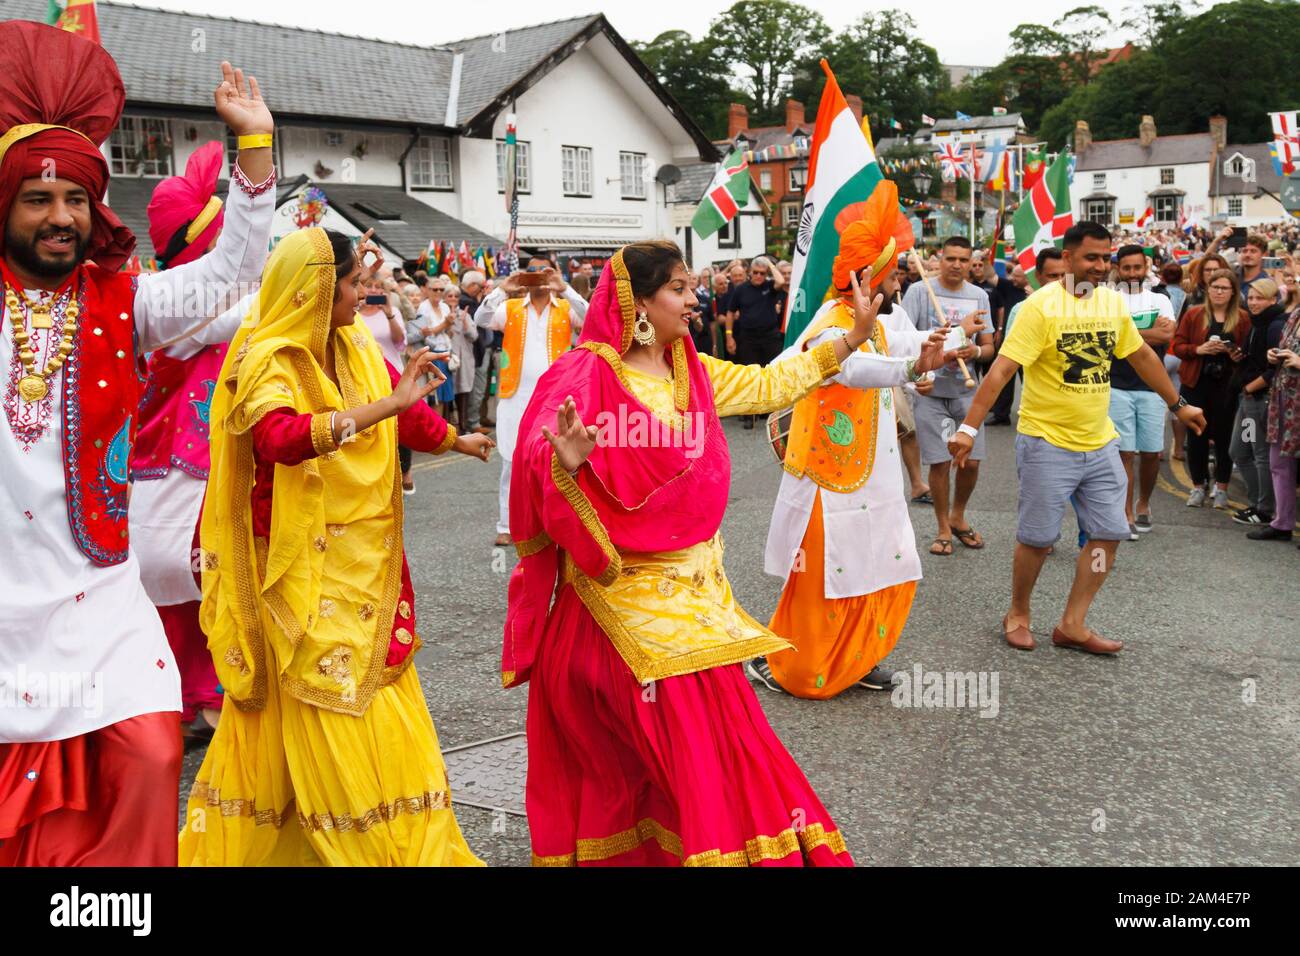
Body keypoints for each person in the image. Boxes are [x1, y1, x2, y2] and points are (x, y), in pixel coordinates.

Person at [0, 23, 276, 866]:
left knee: (152, 754)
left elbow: (229, 275)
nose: (60, 217)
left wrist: (254, 150)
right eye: (38, 199)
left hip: (101, 594)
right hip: (5, 600)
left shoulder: (127, 303)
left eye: (76, 199)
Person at [503, 239, 872, 866]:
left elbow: (768, 382)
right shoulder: (586, 372)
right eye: (679, 287)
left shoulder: (689, 369)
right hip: (617, 598)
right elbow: (535, 452)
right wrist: (563, 462)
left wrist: (851, 338)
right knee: (667, 748)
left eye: (693, 286)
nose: (694, 298)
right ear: (637, 302)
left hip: (698, 593)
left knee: (712, 742)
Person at [179, 229, 494, 866]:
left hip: (360, 564)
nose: (365, 293)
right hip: (295, 570)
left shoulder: (349, 343)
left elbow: (401, 406)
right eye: (354, 283)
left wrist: (453, 440)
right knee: (324, 701)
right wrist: (385, 407)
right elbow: (279, 438)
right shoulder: (267, 357)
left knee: (373, 695)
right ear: (317, 289)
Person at [949, 221, 1206, 656]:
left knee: (1108, 534)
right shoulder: (1039, 308)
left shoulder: (1110, 304)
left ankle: (1073, 621)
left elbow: (1142, 355)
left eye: (1106, 258)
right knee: (1038, 538)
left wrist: (1178, 405)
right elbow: (1001, 371)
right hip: (1046, 442)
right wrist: (968, 429)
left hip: (1100, 442)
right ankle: (1018, 612)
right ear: (1067, 259)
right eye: (1092, 258)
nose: (1102, 267)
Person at [756, 182, 967, 699]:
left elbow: (903, 341)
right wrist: (912, 365)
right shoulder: (833, 326)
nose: (898, 280)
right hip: (830, 477)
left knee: (878, 565)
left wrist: (954, 339)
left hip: (870, 474)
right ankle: (783, 663)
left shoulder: (868, 320)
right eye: (892, 272)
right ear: (865, 276)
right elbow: (854, 368)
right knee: (825, 576)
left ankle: (858, 659)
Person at [129, 141, 255, 749]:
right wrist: (308, 275)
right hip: (167, 469)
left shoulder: (197, 302)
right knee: (177, 579)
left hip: (209, 460)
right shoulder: (170, 307)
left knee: (207, 579)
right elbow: (246, 316)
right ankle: (184, 694)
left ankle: (202, 693)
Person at [476, 254, 588, 548]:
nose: (539, 276)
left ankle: (553, 523)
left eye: (544, 271)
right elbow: (481, 319)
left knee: (556, 460)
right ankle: (506, 524)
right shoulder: (510, 307)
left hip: (556, 397)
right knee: (511, 461)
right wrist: (504, 287)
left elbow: (591, 319)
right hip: (515, 396)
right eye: (533, 272)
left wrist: (564, 288)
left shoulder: (565, 307)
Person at [900, 236, 993, 556]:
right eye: (950, 259)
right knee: (940, 462)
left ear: (971, 263)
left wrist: (976, 349)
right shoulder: (919, 291)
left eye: (963, 260)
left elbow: (990, 346)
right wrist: (917, 377)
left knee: (971, 461)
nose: (956, 265)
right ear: (939, 259)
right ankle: (942, 526)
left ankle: (958, 515)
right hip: (931, 392)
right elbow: (904, 339)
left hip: (966, 393)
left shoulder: (979, 295)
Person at [1110, 244, 1177, 537]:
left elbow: (1167, 335)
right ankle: (1125, 513)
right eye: (1127, 268)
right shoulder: (1109, 301)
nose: (1133, 273)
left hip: (1152, 386)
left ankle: (1144, 503)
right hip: (1116, 385)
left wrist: (1127, 333)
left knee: (1151, 452)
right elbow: (1109, 339)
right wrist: (1147, 334)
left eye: (1138, 267)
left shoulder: (1160, 299)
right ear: (1119, 269)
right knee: (1124, 453)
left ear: (1146, 267)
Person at [1171, 269, 1248, 509]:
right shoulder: (1195, 314)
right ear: (1208, 289)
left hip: (1227, 384)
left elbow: (1249, 354)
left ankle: (1222, 487)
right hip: (1196, 382)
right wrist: (1199, 349)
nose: (1219, 292)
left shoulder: (1243, 318)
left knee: (1225, 438)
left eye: (1224, 288)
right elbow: (1178, 346)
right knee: (1197, 436)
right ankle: (1198, 486)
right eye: (1215, 287)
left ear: (1233, 292)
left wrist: (1235, 354)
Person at [1230, 278, 1287, 526]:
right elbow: (1255, 360)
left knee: (1257, 453)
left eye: (1259, 298)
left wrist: (1252, 387)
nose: (1253, 302)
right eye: (1250, 297)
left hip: (1260, 400)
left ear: (1273, 300)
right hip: (1250, 398)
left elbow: (1278, 366)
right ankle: (1259, 504)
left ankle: (1264, 509)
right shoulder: (1257, 323)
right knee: (1240, 451)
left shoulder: (1275, 326)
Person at [1250, 309, 1300, 542]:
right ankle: (1282, 523)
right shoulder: (1295, 314)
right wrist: (1274, 356)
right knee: (1279, 462)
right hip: (1284, 397)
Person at [722, 256, 787, 428]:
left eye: (762, 273)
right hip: (748, 338)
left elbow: (780, 280)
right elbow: (730, 312)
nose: (758, 276)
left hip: (769, 336)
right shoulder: (741, 289)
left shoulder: (769, 286)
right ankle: (750, 415)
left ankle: (771, 413)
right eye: (756, 273)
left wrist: (770, 263)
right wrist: (729, 336)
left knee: (772, 373)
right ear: (750, 273)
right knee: (750, 376)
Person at [987, 264, 1029, 425]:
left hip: (1030, 345)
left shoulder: (1039, 293)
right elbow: (990, 275)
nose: (1012, 278)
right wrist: (985, 260)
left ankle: (1028, 412)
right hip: (1010, 342)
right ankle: (1001, 415)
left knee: (1028, 380)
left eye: (1016, 276)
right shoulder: (1008, 287)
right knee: (1004, 380)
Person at [444, 282, 477, 431]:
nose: (453, 298)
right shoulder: (441, 313)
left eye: (456, 296)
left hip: (464, 359)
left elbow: (474, 336)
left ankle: (463, 426)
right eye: (449, 295)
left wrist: (464, 322)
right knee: (447, 392)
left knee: (463, 391)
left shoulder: (465, 314)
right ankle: (448, 427)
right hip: (447, 356)